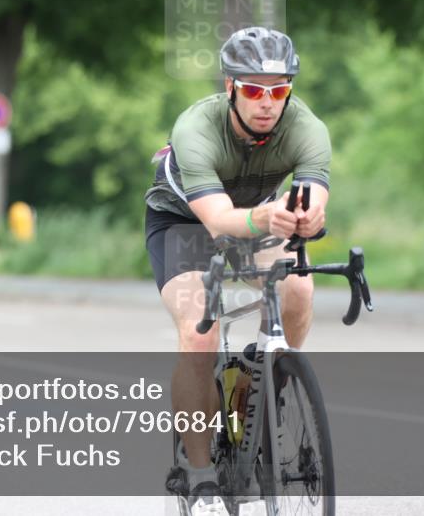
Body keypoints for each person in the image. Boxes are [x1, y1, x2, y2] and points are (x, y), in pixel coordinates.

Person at [144, 27, 331, 515]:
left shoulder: (306, 127)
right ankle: (201, 474)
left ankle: (272, 376)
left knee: (298, 289)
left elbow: (314, 198)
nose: (266, 102)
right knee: (199, 333)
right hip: (185, 223)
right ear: (230, 87)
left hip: (256, 213)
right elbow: (219, 222)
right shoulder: (196, 128)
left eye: (278, 89)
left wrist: (309, 216)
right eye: (252, 89)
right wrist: (270, 217)